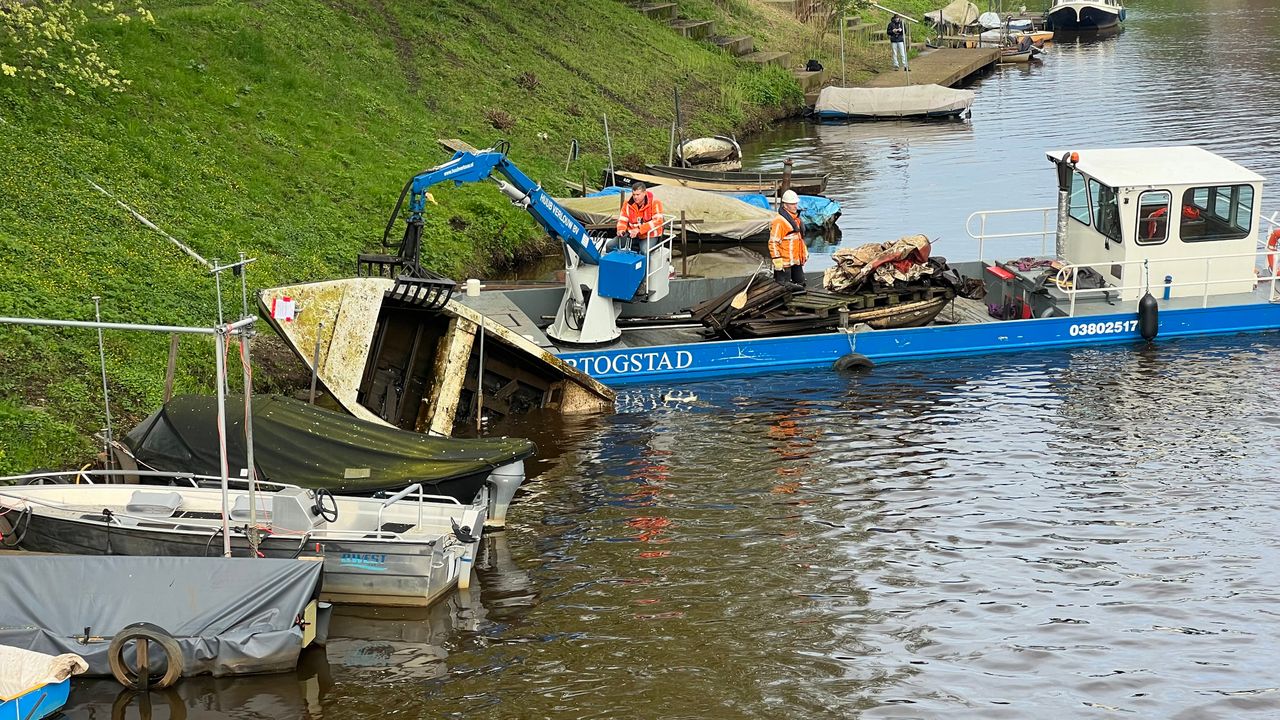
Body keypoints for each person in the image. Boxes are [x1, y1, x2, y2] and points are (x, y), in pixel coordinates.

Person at [769, 190, 807, 286]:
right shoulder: (779, 221)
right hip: (784, 263)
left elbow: (799, 239)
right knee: (784, 287)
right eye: (792, 204)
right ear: (785, 205)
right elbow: (773, 242)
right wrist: (777, 259)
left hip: (795, 260)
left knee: (801, 283)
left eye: (796, 203)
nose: (795, 206)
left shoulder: (796, 219)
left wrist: (804, 252)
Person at [615, 181, 664, 250]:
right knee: (610, 245)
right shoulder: (627, 203)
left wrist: (639, 229)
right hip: (631, 234)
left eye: (638, 194)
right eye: (634, 194)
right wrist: (621, 229)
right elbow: (622, 219)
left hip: (650, 235)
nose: (635, 197)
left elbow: (658, 221)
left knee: (644, 251)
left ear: (644, 193)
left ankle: (646, 260)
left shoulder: (655, 202)